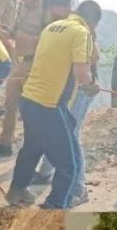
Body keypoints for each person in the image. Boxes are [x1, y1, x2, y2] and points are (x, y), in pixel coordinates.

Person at [6, 0, 102, 209]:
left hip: (29, 99)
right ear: (93, 23)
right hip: (48, 106)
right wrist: (92, 84)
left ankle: (17, 190)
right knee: (68, 164)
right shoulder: (82, 33)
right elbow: (82, 73)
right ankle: (55, 205)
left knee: (32, 147)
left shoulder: (52, 27)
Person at [31, 29, 101, 201]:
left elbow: (93, 58)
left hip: (81, 90)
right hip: (64, 89)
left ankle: (78, 188)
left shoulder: (82, 33)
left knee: (71, 136)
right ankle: (45, 173)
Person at [0, 0, 44, 157]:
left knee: (31, 107)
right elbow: (14, 29)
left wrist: (30, 40)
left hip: (37, 63)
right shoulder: (21, 6)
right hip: (20, 61)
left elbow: (52, 37)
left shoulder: (45, 7)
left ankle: (32, 147)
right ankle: (5, 143)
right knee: (10, 102)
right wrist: (5, 33)